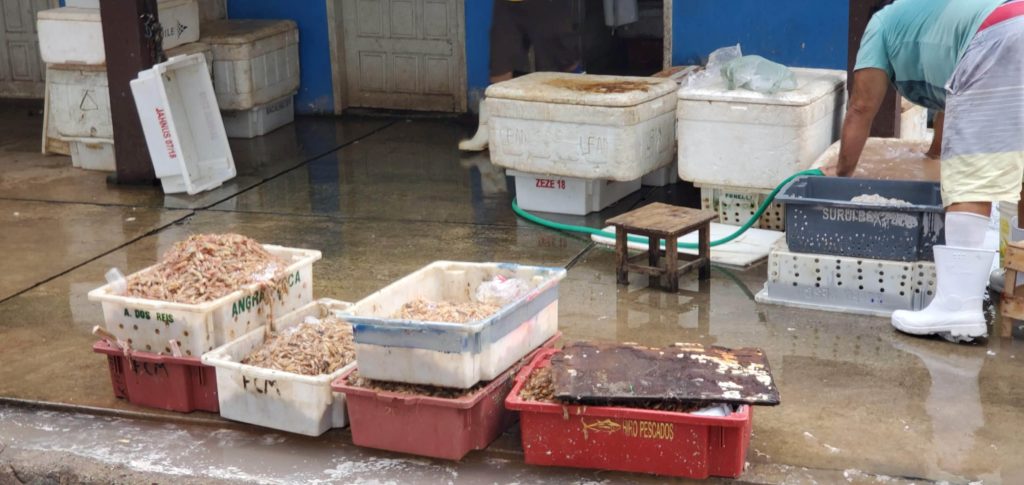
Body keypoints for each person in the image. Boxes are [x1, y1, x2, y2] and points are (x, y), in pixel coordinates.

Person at [828, 0, 1024, 342]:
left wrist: (841, 176)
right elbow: (956, 96)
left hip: (1000, 38)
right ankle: (1020, 281)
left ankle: (958, 310)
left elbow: (861, 106)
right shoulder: (929, 15)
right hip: (1014, 20)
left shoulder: (881, 25)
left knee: (969, 172)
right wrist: (933, 151)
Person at [459, 0, 582, 151]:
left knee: (561, 66)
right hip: (508, 5)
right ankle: (490, 131)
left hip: (548, 5)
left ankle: (571, 129)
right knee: (500, 63)